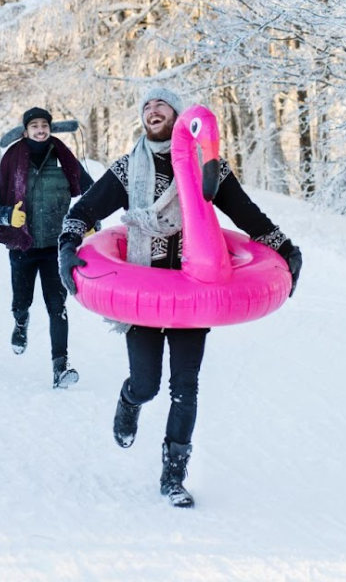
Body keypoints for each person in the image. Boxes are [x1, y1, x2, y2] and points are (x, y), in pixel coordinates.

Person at [57, 86, 304, 508]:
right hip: (143, 294)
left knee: (185, 387)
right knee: (149, 383)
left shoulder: (209, 168)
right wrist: (67, 245)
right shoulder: (126, 169)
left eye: (162, 105)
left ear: (176, 115)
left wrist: (286, 249)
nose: (153, 110)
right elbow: (84, 211)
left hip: (195, 293)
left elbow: (248, 216)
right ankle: (130, 398)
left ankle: (174, 475)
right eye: (147, 106)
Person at [0, 106, 95, 388]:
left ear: (49, 128)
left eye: (44, 124)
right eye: (34, 125)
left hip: (56, 249)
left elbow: (93, 194)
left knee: (57, 307)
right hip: (23, 247)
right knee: (22, 301)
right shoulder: (12, 159)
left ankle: (61, 367)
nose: (40, 129)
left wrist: (90, 221)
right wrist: (8, 216)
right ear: (26, 131)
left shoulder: (63, 158)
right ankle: (20, 323)